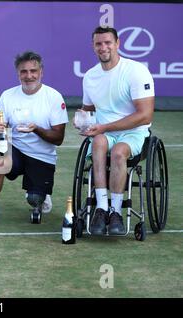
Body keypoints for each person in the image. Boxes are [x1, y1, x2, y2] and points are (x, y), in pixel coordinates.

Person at [0, 51, 68, 228]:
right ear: (18, 73)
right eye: (24, 71)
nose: (29, 76)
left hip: (42, 155)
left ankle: (41, 194)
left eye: (33, 71)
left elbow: (58, 138)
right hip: (15, 149)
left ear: (41, 72)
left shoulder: (54, 97)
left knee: (34, 200)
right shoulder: (7, 95)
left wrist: (36, 129)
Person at [78, 26, 154, 235]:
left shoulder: (136, 71)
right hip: (105, 134)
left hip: (135, 132)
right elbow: (89, 107)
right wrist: (82, 119)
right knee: (99, 143)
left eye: (107, 42)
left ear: (117, 43)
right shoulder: (90, 76)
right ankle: (101, 208)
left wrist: (104, 126)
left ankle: (116, 211)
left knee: (119, 151)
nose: (103, 47)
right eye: (98, 44)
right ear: (93, 47)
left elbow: (145, 115)